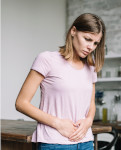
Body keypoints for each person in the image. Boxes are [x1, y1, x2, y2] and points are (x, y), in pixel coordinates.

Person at [15, 13, 106, 150]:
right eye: (87, 39)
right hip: (54, 142)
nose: (91, 47)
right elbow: (21, 103)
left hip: (86, 142)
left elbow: (91, 103)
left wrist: (88, 121)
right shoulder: (47, 59)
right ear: (73, 31)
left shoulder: (91, 67)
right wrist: (58, 123)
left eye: (95, 43)